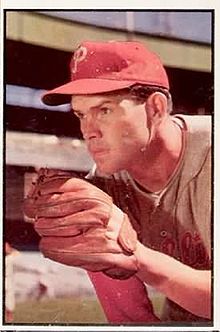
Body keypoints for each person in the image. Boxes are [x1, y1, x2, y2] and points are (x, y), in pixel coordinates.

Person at [25, 41, 211, 323]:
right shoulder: (97, 195)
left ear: (155, 109)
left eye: (104, 110)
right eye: (81, 115)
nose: (89, 131)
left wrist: (138, 257)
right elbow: (132, 320)